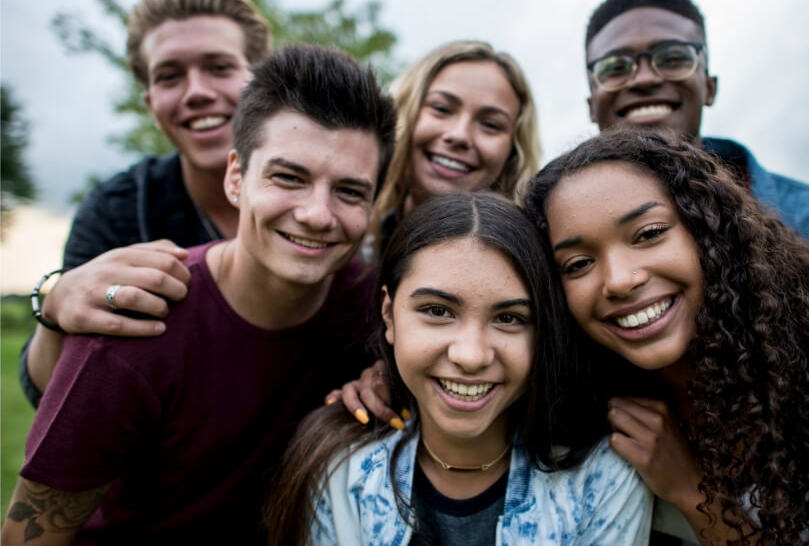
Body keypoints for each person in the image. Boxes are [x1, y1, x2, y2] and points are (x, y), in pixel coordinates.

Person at [2, 43, 397, 545]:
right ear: (236, 177)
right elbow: (27, 539)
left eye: (348, 191)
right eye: (288, 177)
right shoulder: (136, 322)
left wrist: (393, 375)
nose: (318, 213)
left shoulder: (375, 311)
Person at [268, 192, 652, 545]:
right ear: (389, 314)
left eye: (509, 318)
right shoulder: (340, 467)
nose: (471, 356)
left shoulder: (600, 480)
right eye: (437, 311)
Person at [523, 128, 809, 545]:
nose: (619, 281)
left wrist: (689, 491)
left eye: (649, 234)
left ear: (711, 231)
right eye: (578, 263)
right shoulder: (577, 410)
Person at [20, 0, 271, 407]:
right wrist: (58, 308)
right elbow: (49, 392)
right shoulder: (117, 211)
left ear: (263, 81)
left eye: (219, 67)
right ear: (151, 104)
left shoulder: (325, 198)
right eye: (170, 76)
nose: (197, 92)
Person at [584, 0, 809, 239]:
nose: (644, 78)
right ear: (591, 105)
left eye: (673, 57)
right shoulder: (545, 233)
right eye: (615, 67)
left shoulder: (802, 218)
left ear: (709, 87)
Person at [370, 40, 541, 256]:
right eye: (441, 109)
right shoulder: (348, 250)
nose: (460, 135)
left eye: (490, 124)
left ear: (513, 152)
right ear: (404, 114)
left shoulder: (532, 267)